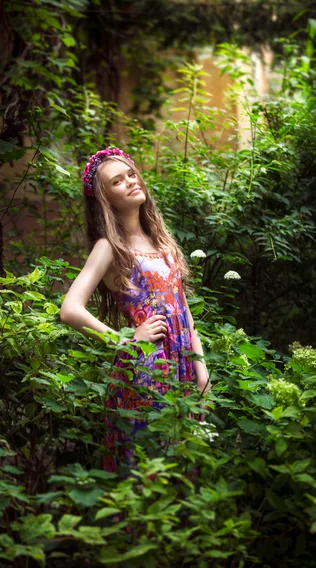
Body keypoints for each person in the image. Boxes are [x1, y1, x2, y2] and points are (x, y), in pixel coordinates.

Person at [60, 147, 210, 470]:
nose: (130, 181)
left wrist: (202, 370)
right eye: (117, 181)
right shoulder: (110, 248)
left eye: (131, 174)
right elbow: (70, 308)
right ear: (105, 199)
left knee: (182, 471)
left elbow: (185, 313)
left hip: (183, 367)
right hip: (145, 371)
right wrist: (125, 341)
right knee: (147, 470)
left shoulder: (162, 242)